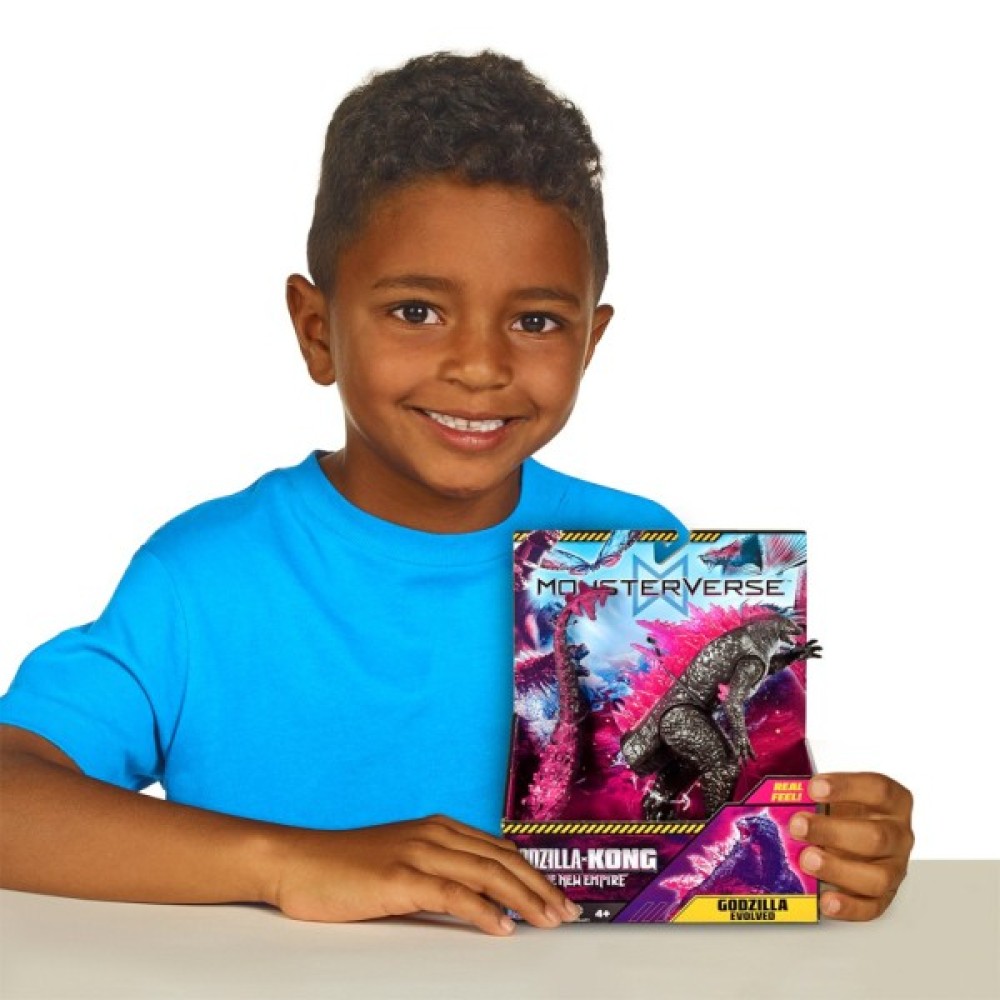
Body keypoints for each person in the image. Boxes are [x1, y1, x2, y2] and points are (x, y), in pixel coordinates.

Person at [0, 51, 913, 935]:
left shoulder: (642, 555)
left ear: (590, 342)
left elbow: (699, 828)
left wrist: (826, 845)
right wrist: (292, 863)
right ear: (317, 331)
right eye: (416, 311)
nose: (480, 365)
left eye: (535, 320)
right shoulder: (203, 579)